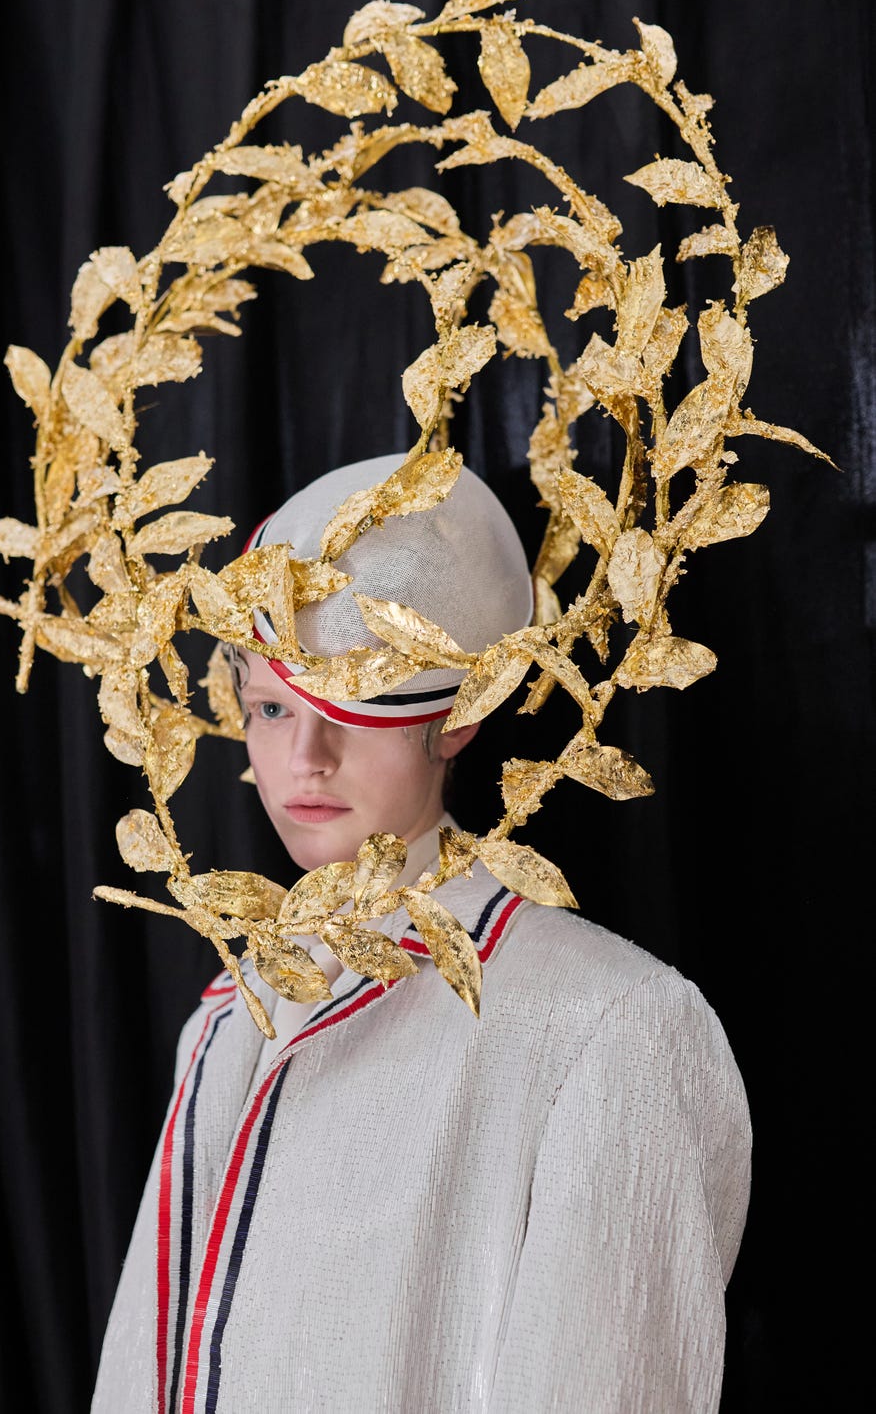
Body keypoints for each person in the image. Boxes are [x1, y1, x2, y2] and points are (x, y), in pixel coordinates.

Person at [90, 454, 752, 1413]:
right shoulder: (232, 1016)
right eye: (273, 705)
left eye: (351, 702)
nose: (305, 757)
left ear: (455, 719)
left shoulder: (609, 1027)